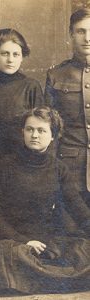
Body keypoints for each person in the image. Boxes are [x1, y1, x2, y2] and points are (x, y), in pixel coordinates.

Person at [0, 106, 90, 293]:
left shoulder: (59, 169)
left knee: (82, 250)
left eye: (42, 130)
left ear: (53, 135)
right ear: (22, 131)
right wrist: (23, 241)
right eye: (30, 129)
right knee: (6, 255)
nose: (35, 135)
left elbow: (78, 208)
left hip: (47, 242)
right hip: (14, 240)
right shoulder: (4, 166)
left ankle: (36, 279)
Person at [0, 28, 44, 182]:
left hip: (21, 168)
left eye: (16, 54)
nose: (10, 60)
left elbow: (41, 132)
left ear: (22, 57)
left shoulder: (31, 87)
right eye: (5, 53)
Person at [45, 8, 90, 210]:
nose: (87, 38)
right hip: (69, 171)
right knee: (72, 236)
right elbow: (50, 129)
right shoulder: (56, 75)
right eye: (80, 31)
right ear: (71, 35)